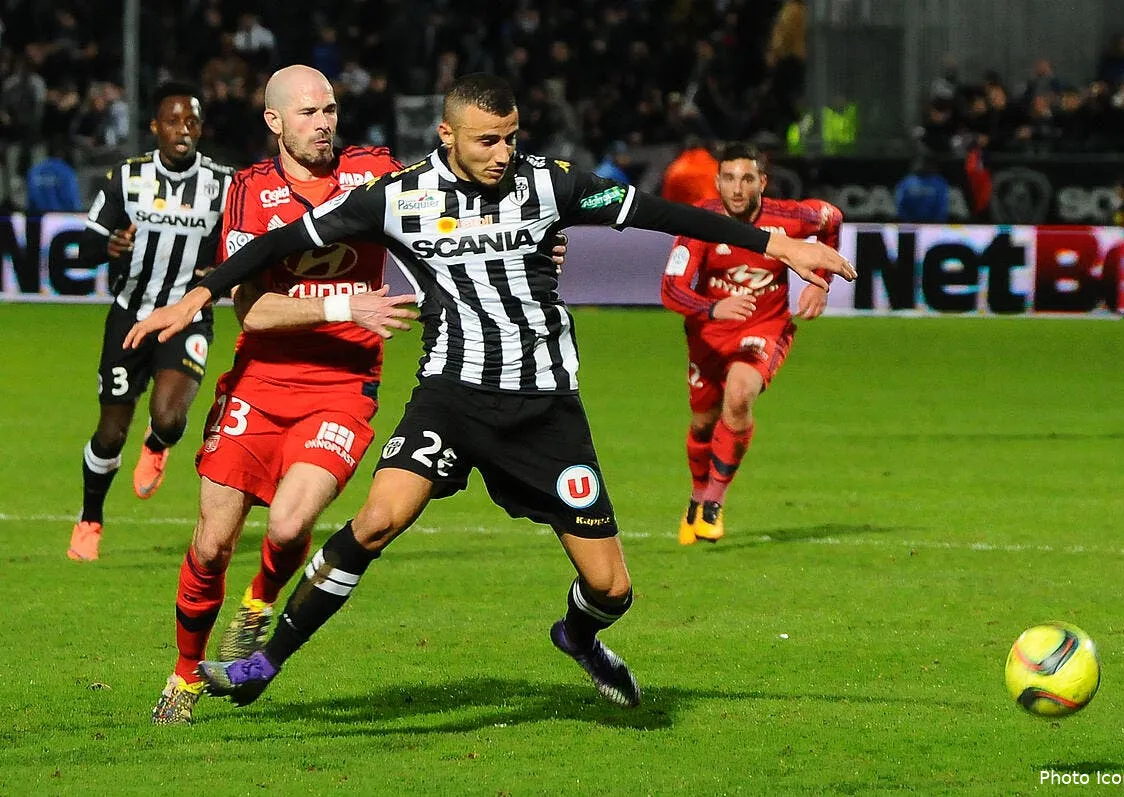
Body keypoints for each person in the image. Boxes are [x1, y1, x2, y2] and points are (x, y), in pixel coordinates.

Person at [127, 74, 854, 711]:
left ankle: (577, 636)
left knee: (612, 589)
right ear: (447, 134)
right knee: (378, 518)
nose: (502, 154)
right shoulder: (399, 196)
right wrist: (198, 295)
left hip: (544, 409)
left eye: (509, 138)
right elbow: (280, 242)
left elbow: (660, 211)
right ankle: (261, 663)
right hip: (450, 395)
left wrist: (779, 246)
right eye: (485, 141)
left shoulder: (552, 182)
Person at [147, 65, 417, 725]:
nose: (324, 123)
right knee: (212, 542)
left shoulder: (374, 169)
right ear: (274, 122)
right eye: (308, 113)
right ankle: (183, 677)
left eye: (330, 109)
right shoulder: (249, 191)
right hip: (260, 381)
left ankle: (260, 598)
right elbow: (255, 311)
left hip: (343, 385)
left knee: (293, 523)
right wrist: (342, 301)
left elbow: (448, 211)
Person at [67, 81, 236, 562]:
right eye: (174, 121)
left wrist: (221, 268)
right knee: (110, 434)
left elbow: (243, 243)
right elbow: (84, 248)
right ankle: (90, 518)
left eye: (192, 121)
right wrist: (110, 247)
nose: (183, 130)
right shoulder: (127, 177)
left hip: (187, 317)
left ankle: (159, 444)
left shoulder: (224, 184)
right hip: (129, 318)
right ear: (155, 128)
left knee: (169, 416)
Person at [661, 143, 842, 545]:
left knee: (740, 396)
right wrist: (712, 309)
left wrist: (820, 284)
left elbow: (832, 217)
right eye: (728, 178)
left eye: (747, 179)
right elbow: (671, 289)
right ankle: (696, 496)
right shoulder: (700, 222)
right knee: (703, 422)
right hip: (709, 335)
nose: (737, 188)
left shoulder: (788, 217)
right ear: (717, 182)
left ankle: (712, 503)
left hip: (765, 326)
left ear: (763, 182)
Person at [894, 155, 950, 223]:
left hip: (933, 224)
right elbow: (899, 204)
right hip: (909, 223)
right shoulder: (906, 181)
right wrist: (906, 220)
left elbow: (942, 206)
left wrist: (937, 222)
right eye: (920, 163)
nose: (923, 165)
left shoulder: (939, 182)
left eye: (927, 163)